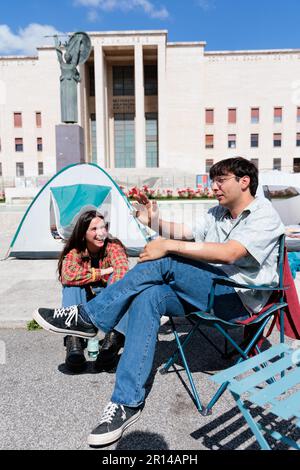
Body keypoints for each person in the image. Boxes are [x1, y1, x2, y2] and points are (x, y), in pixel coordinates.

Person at [33, 157, 285, 447]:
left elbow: (230, 253)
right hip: (208, 292)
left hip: (236, 299)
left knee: (164, 261)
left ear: (244, 181)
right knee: (148, 295)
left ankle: (89, 317)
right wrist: (153, 221)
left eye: (221, 180)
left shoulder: (263, 215)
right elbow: (186, 232)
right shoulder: (218, 213)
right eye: (213, 180)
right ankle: (126, 402)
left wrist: (167, 246)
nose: (214, 187)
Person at [58, 210, 128, 373]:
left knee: (120, 283)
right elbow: (68, 275)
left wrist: (105, 304)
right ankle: (74, 341)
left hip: (109, 300)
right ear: (83, 234)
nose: (101, 233)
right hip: (84, 300)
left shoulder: (114, 246)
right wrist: (102, 273)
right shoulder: (75, 250)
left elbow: (121, 272)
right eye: (94, 229)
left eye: (103, 228)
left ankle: (113, 340)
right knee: (71, 286)